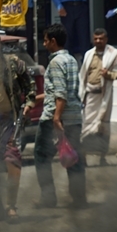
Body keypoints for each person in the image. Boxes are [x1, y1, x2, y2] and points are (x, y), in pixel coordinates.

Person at [33, 24, 86, 208]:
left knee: (40, 156)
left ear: (53, 41)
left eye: (46, 40)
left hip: (55, 118)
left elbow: (60, 93)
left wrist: (56, 118)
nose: (45, 43)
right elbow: (62, 90)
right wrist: (37, 99)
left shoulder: (55, 62)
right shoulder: (71, 60)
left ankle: (48, 198)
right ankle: (80, 199)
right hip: (73, 118)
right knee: (74, 157)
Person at [0, 29, 35, 220]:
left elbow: (30, 85)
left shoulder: (12, 63)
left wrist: (29, 103)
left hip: (8, 120)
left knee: (12, 160)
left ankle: (12, 206)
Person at [78, 28, 117, 165]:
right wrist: (82, 95)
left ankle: (102, 157)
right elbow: (82, 76)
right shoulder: (88, 54)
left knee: (103, 126)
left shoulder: (114, 54)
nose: (98, 41)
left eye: (101, 38)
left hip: (105, 96)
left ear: (106, 39)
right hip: (90, 95)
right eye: (96, 38)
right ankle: (83, 156)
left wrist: (109, 75)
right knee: (86, 126)